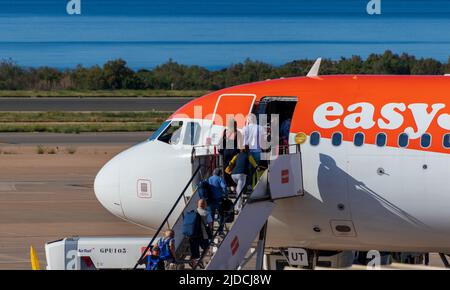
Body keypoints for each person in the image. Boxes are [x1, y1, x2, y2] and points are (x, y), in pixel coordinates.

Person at [218, 118, 242, 190]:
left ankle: (228, 186)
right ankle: (233, 186)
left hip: (226, 152)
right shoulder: (237, 133)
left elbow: (220, 142)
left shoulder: (225, 131)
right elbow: (240, 145)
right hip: (234, 152)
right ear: (235, 124)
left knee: (226, 168)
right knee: (233, 168)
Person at [189, 199, 213, 269]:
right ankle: (200, 260)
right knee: (206, 248)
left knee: (194, 253)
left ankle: (193, 266)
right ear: (205, 205)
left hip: (192, 235)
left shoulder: (192, 212)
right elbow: (210, 225)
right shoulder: (207, 213)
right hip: (203, 235)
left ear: (198, 205)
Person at [207, 168, 228, 235]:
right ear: (220, 173)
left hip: (210, 201)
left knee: (211, 217)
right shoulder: (220, 178)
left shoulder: (210, 179)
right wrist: (226, 194)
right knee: (221, 215)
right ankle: (220, 231)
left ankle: (210, 233)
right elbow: (224, 187)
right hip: (218, 200)